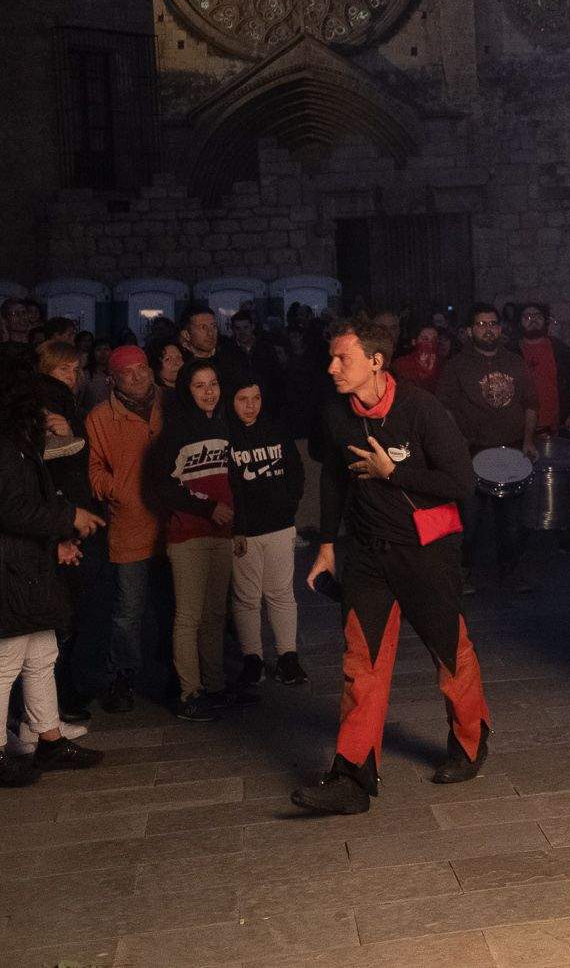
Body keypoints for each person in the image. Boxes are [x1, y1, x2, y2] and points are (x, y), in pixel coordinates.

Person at [291, 321, 489, 815]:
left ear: (376, 362)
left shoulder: (422, 409)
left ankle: (470, 740)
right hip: (366, 555)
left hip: (425, 552)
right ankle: (352, 778)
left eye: (343, 359)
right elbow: (335, 479)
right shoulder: (336, 413)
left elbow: (461, 481)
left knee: (449, 652)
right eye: (332, 358)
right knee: (362, 665)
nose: (332, 367)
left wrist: (393, 472)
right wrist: (327, 544)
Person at [0, 368, 105, 784]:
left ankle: (49, 740)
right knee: (5, 662)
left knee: (42, 654)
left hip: (27, 566)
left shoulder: (19, 446)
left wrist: (54, 545)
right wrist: (69, 516)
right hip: (10, 572)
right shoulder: (7, 449)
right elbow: (11, 510)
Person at [146, 359, 238, 722]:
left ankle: (214, 685)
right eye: (199, 385)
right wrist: (206, 507)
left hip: (223, 533)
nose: (209, 391)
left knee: (216, 613)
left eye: (213, 383)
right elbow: (162, 486)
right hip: (188, 534)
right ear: (186, 390)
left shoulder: (227, 424)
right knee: (189, 616)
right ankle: (190, 692)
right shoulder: (175, 432)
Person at [85, 345, 164, 713]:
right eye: (128, 372)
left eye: (143, 368)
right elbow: (95, 470)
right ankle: (123, 675)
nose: (138, 376)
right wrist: (119, 492)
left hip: (174, 523)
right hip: (129, 525)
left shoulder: (172, 405)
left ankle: (177, 672)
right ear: (112, 380)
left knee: (173, 602)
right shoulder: (100, 418)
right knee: (128, 608)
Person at [441, 304, 536, 591]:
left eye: (492, 323)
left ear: (500, 327)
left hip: (511, 451)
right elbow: (444, 408)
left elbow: (531, 404)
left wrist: (528, 440)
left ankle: (511, 572)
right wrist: (457, 443)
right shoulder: (456, 365)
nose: (488, 329)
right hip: (472, 452)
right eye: (481, 324)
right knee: (469, 520)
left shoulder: (515, 362)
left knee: (512, 522)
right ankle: (463, 570)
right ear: (470, 330)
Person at [227, 377, 307, 692]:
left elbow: (295, 469)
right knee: (246, 596)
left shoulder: (275, 428)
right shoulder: (227, 436)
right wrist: (237, 527)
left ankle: (288, 655)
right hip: (245, 530)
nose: (250, 406)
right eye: (242, 399)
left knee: (281, 592)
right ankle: (252, 658)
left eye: (255, 398)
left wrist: (288, 505)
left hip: (279, 524)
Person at [37, 340, 102, 722]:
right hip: (65, 520)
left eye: (76, 370)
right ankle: (62, 695)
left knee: (73, 611)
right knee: (68, 612)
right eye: (64, 369)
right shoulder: (48, 403)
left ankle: (63, 694)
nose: (72, 377)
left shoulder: (66, 404)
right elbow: (52, 466)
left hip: (72, 514)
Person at [518, 302, 570, 440]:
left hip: (557, 427)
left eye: (537, 316)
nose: (533, 320)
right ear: (519, 321)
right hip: (520, 428)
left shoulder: (562, 351)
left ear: (545, 320)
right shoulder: (511, 352)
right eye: (527, 317)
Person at [393, 321, 443, 394]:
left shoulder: (444, 365)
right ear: (414, 342)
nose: (430, 344)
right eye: (425, 339)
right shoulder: (400, 364)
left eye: (434, 340)